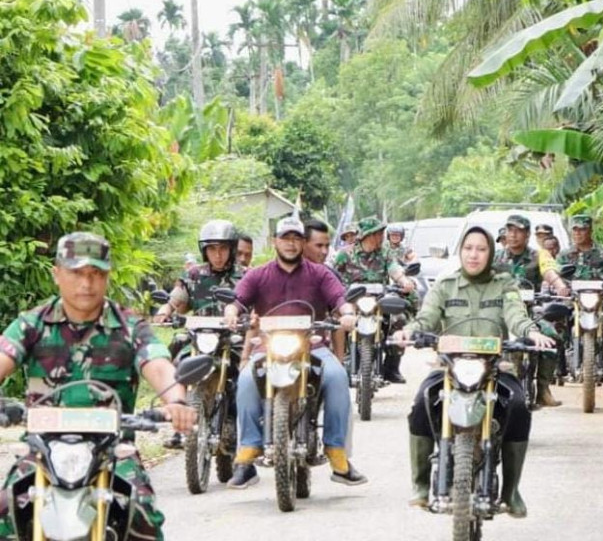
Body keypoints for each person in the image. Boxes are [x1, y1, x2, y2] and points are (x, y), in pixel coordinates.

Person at [0, 233, 196, 540]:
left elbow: (157, 364)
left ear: (107, 276)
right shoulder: (31, 324)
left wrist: (177, 402)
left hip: (113, 450)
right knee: (7, 507)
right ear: (57, 273)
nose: (86, 284)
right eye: (76, 272)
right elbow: (4, 355)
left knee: (142, 512)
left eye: (96, 274)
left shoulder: (131, 326)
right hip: (42, 449)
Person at [392, 226, 555, 517]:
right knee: (422, 402)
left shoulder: (504, 284)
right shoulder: (445, 285)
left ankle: (511, 491)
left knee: (518, 405)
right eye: (469, 248)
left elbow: (516, 315)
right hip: (450, 367)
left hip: (495, 367)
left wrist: (530, 332)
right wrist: (409, 331)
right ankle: (419, 486)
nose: (474, 254)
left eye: (481, 249)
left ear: (491, 252)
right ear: (460, 251)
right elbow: (426, 318)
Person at [222, 216, 365, 489]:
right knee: (245, 380)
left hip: (313, 345)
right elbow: (237, 301)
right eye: (285, 238)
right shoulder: (258, 275)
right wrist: (231, 313)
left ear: (302, 242)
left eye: (296, 238)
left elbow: (339, 300)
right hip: (268, 347)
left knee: (337, 377)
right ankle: (248, 453)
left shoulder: (321, 273)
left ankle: (337, 452)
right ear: (275, 241)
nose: (290, 243)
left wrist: (347, 314)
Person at [154, 219, 244, 449]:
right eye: (212, 248)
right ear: (204, 251)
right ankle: (179, 423)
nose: (218, 254)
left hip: (232, 339)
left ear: (232, 249)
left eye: (223, 248)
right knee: (176, 361)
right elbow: (177, 297)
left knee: (248, 372)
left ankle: (241, 422)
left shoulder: (245, 277)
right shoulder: (194, 275)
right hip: (200, 339)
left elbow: (257, 299)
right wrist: (164, 311)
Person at [494, 214, 569, 408]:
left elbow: (549, 270)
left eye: (518, 231)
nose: (513, 235)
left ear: (527, 235)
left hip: (529, 312)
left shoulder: (539, 255)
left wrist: (559, 284)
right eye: (510, 230)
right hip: (500, 312)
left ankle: (543, 389)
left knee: (552, 336)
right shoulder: (496, 257)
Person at [333, 216, 416, 383]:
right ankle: (340, 362)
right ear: (367, 236)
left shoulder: (385, 252)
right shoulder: (345, 254)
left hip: (379, 298)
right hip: (352, 299)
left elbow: (394, 268)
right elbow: (333, 276)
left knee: (399, 319)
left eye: (382, 233)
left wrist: (404, 281)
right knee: (336, 321)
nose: (382, 237)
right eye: (378, 233)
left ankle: (392, 366)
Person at [557, 214, 603, 383]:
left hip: (599, 298)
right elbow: (556, 274)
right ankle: (559, 367)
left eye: (582, 229)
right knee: (556, 320)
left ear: (590, 230)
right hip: (573, 299)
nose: (578, 233)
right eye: (575, 229)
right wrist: (560, 286)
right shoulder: (565, 254)